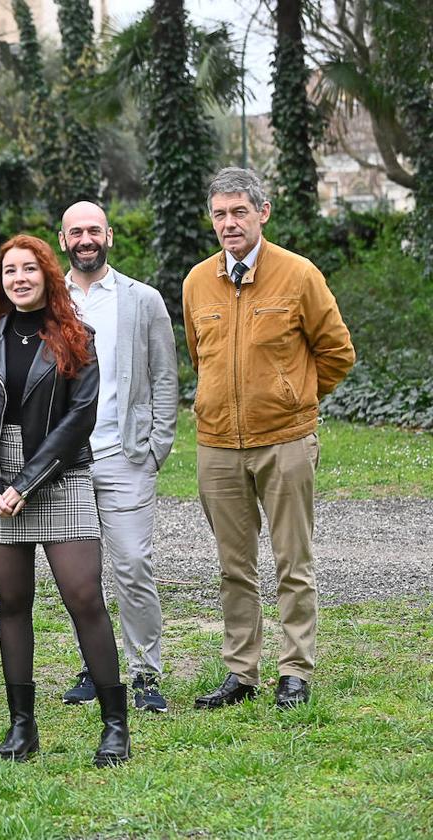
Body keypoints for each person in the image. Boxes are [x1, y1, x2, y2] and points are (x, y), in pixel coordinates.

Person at [184, 168, 354, 711]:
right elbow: (199, 357)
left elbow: (337, 353)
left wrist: (293, 396)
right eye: (220, 214)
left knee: (292, 561)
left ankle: (295, 670)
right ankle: (241, 672)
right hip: (216, 444)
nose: (229, 223)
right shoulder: (196, 283)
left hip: (285, 440)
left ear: (263, 212)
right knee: (233, 565)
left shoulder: (299, 275)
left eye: (239, 212)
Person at [0, 233, 130, 767]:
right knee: (12, 605)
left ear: (47, 276)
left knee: (84, 598)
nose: (19, 279)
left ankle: (115, 725)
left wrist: (24, 484)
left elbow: (81, 419)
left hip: (59, 472)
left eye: (29, 269)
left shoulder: (77, 336)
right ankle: (21, 727)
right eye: (10, 271)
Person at [58, 201, 178, 712]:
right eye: (75, 232)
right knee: (80, 578)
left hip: (125, 455)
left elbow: (166, 376)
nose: (86, 239)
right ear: (63, 241)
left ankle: (146, 672)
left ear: (108, 236)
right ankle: (96, 664)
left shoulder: (142, 300)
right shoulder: (48, 297)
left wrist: (156, 448)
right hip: (67, 462)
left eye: (94, 230)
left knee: (132, 565)